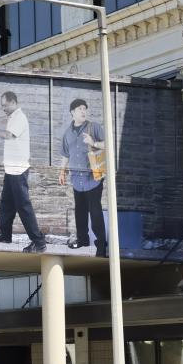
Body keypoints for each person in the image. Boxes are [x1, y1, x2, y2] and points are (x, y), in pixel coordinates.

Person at [0, 91, 44, 252]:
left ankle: (38, 242)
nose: (3, 108)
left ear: (13, 102)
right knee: (7, 203)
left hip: (19, 169)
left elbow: (9, 136)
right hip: (11, 168)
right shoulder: (13, 117)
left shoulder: (19, 117)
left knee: (23, 206)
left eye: (5, 105)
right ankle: (5, 234)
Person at [58, 98, 107, 257]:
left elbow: (108, 145)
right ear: (72, 112)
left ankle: (101, 244)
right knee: (80, 212)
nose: (83, 111)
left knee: (95, 211)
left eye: (85, 108)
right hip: (76, 180)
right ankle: (83, 240)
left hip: (94, 177)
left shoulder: (94, 127)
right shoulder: (67, 133)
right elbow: (65, 154)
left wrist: (93, 142)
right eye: (80, 109)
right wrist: (61, 171)